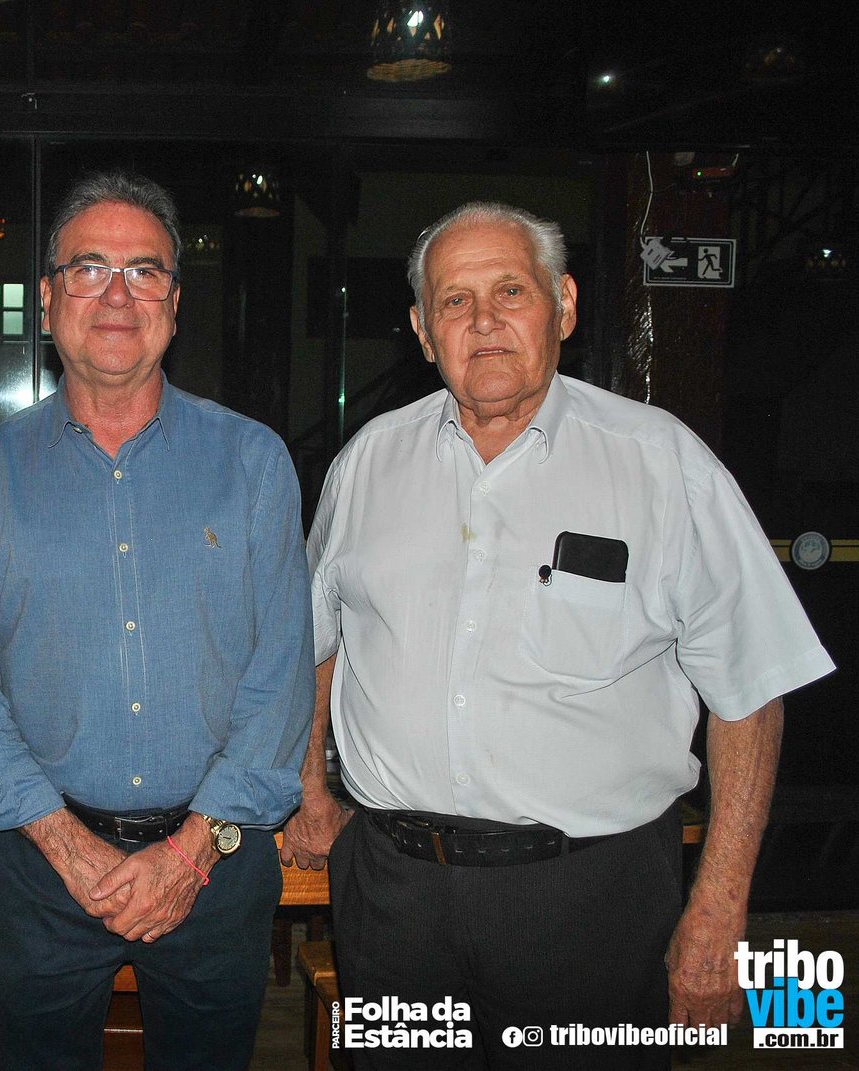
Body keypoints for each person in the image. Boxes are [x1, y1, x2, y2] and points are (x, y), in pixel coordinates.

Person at [285, 200, 835, 1069]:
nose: (484, 321)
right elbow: (317, 637)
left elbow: (752, 689)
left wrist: (720, 907)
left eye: (510, 290)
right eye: (455, 301)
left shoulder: (662, 463)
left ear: (565, 305)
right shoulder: (366, 463)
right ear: (423, 331)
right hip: (393, 898)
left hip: (590, 901)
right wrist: (311, 787)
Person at [0, 171, 315, 1071]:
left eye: (144, 271)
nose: (116, 295)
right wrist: (69, 849)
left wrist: (188, 854)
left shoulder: (254, 463)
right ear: (48, 298)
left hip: (217, 865)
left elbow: (281, 679)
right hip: (39, 868)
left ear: (174, 305)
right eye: (89, 268)